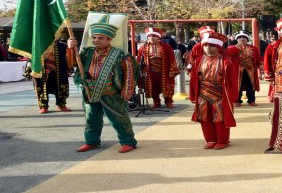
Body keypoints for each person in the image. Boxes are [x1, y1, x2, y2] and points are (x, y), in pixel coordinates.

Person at [71, 14, 138, 153]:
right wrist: (71, 48)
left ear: (109, 39)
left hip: (112, 93)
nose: (96, 40)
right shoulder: (86, 53)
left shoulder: (120, 55)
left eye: (100, 38)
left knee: (119, 119)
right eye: (94, 37)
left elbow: (130, 73)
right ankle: (91, 141)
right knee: (91, 119)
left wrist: (127, 90)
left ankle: (128, 142)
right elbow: (73, 64)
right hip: (90, 92)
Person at [189, 32, 237, 150]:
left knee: (220, 118)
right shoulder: (198, 61)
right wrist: (193, 95)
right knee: (204, 117)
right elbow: (193, 79)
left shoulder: (226, 62)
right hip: (202, 93)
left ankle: (222, 140)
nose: (208, 48)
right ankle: (210, 139)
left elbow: (232, 80)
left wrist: (233, 96)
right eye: (205, 46)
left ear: (218, 47)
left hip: (220, 94)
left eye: (212, 46)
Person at [29, 38, 76, 113]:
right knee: (41, 87)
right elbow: (31, 58)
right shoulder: (37, 46)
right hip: (42, 72)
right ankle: (43, 106)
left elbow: (69, 58)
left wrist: (70, 48)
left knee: (61, 87)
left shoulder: (63, 46)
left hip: (59, 71)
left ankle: (62, 105)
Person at [137, 27, 179, 108]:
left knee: (168, 85)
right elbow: (139, 60)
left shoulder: (166, 47)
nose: (151, 37)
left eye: (153, 36)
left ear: (158, 37)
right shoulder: (143, 48)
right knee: (152, 86)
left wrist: (172, 70)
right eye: (149, 36)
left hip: (164, 70)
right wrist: (140, 71)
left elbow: (172, 58)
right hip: (150, 71)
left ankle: (168, 101)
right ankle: (156, 101)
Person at [231, 30, 261, 107]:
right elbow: (228, 53)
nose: (242, 39)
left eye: (244, 37)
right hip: (237, 70)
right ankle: (237, 100)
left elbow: (258, 59)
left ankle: (251, 100)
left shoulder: (253, 48)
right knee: (238, 85)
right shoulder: (232, 48)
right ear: (237, 39)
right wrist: (238, 47)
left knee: (251, 85)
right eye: (240, 38)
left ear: (247, 39)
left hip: (250, 69)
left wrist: (261, 66)